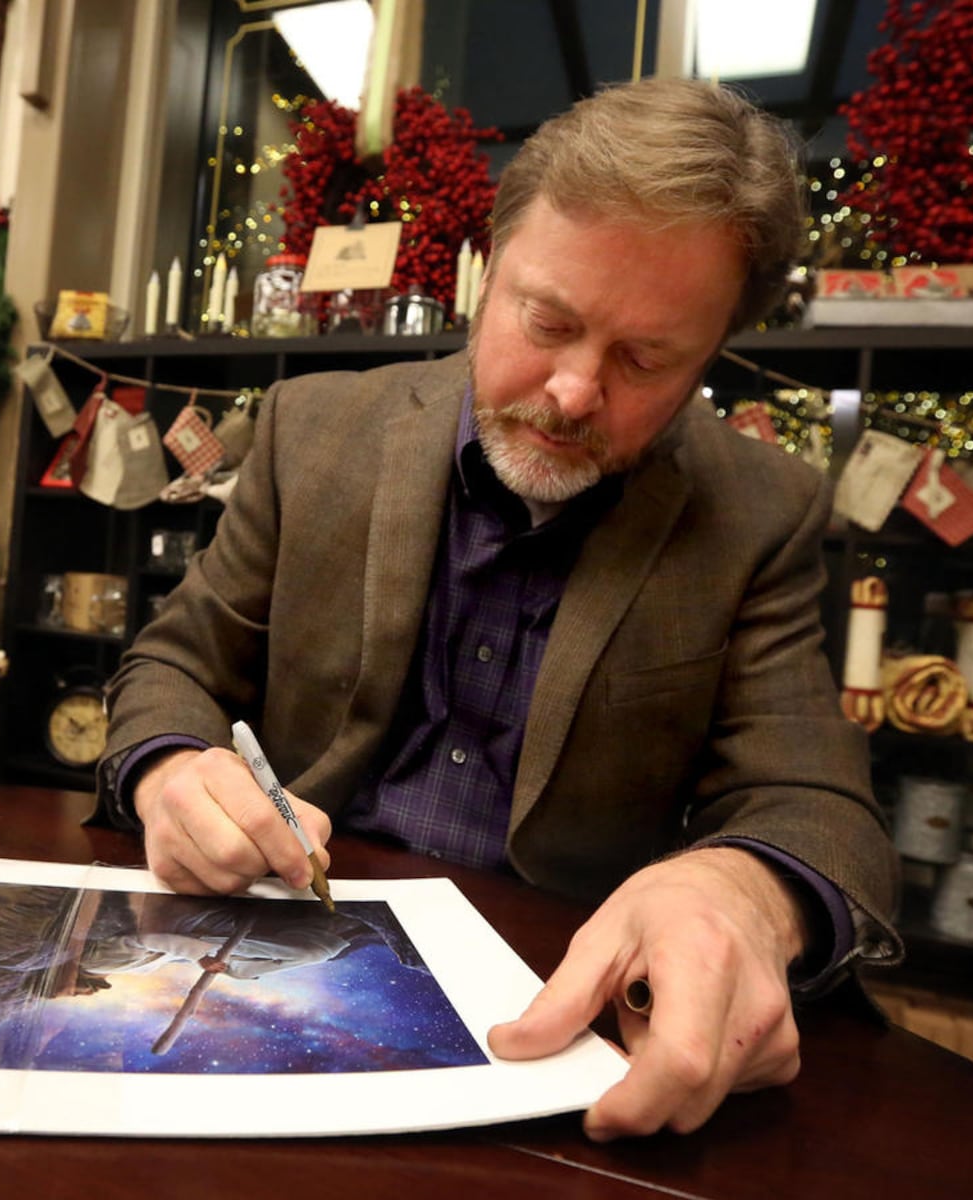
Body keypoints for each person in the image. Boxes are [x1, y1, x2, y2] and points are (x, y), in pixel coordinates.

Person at [95, 77, 901, 1140]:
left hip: (560, 1005)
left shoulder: (761, 510)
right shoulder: (313, 429)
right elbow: (174, 665)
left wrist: (740, 897)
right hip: (275, 958)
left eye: (645, 358)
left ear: (713, 354)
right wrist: (170, 773)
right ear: (489, 267)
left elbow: (817, 802)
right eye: (547, 320)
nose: (572, 391)